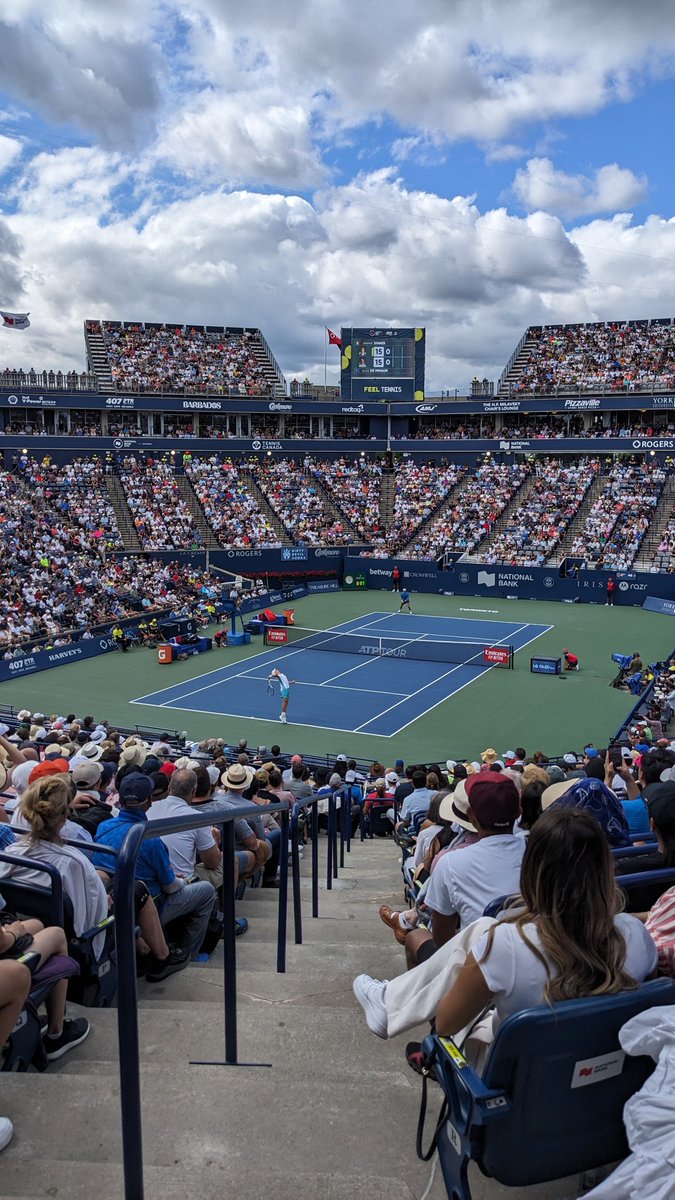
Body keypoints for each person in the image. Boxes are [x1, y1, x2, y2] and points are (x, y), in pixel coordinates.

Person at [352, 809, 657, 1067]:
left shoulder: (506, 946)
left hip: (517, 1089)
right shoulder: (637, 935)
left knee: (484, 934)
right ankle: (389, 1001)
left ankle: (390, 1002)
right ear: (606, 867)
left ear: (533, 870)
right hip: (601, 1077)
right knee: (484, 928)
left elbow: (445, 1024)